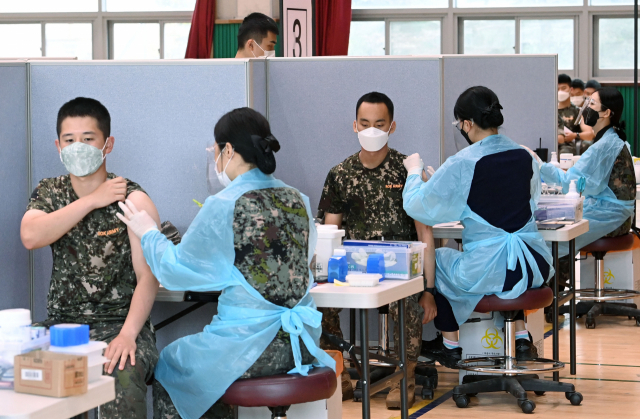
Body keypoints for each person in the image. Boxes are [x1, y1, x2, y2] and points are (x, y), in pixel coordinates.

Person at [117, 107, 335, 419]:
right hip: (301, 341)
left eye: (216, 150)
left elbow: (178, 273)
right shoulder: (297, 198)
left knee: (170, 365)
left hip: (252, 346)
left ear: (228, 150)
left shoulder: (225, 204)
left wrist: (149, 234)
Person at [20, 97, 160, 419]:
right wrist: (92, 201)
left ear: (107, 144)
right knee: (21, 373)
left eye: (88, 139)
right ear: (58, 145)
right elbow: (30, 235)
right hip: (62, 326)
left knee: (122, 374)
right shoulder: (50, 191)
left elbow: (148, 278)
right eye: (69, 140)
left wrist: (128, 335)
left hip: (120, 325)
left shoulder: (132, 198)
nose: (78, 147)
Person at [403, 86, 553, 368]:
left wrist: (414, 171)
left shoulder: (464, 162)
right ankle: (521, 337)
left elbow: (418, 206)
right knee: (503, 268)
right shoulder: (524, 155)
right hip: (534, 263)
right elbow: (529, 204)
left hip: (493, 268)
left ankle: (449, 344)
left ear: (467, 124)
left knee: (441, 258)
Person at [317, 91, 436, 408]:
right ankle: (337, 376)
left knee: (407, 302)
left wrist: (429, 289)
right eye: (365, 123)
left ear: (392, 126)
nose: (372, 130)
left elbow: (425, 232)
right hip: (353, 267)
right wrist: (324, 277)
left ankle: (404, 379)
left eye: (379, 124)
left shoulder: (406, 170)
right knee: (318, 306)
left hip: (401, 270)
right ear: (354, 125)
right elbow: (330, 230)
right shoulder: (340, 174)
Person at [535, 87, 636, 295]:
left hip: (611, 217)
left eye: (591, 104)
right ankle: (553, 295)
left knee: (557, 235)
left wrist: (539, 164)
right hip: (613, 213)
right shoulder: (609, 140)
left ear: (607, 113)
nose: (586, 108)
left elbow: (571, 182)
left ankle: (550, 297)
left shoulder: (605, 145)